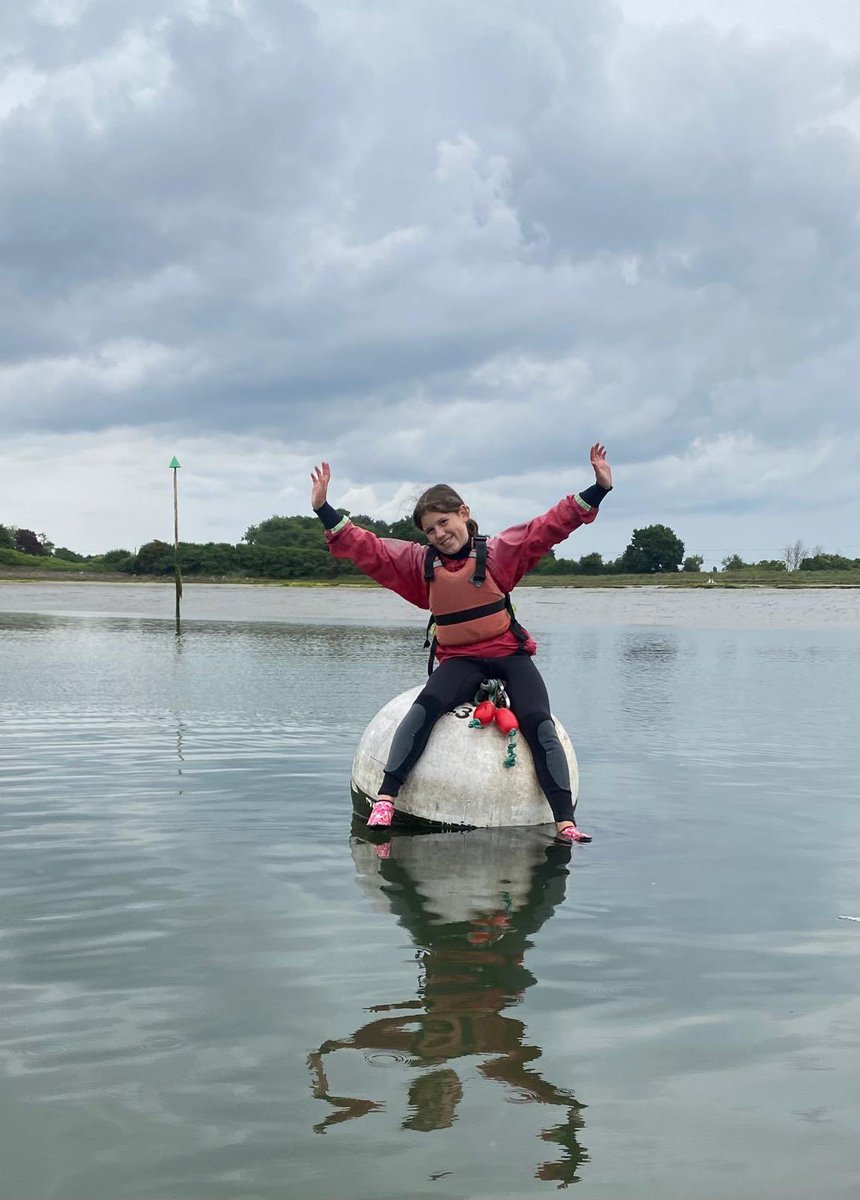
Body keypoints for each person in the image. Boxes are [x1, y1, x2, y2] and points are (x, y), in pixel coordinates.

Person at [310, 445, 613, 842]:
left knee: (539, 722)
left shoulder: (500, 553)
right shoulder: (420, 565)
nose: (439, 534)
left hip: (509, 657)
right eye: (430, 529)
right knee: (423, 710)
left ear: (463, 514)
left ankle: (565, 822)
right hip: (459, 660)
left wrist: (598, 489)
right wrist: (324, 510)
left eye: (443, 522)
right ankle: (386, 799)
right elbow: (370, 548)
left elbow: (548, 527)